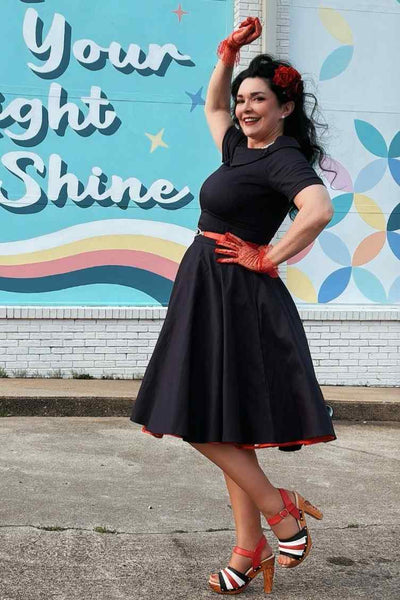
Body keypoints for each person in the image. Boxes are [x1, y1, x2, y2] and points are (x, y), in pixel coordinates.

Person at [131, 16, 337, 595]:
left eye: (259, 100)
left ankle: (280, 511)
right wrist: (227, 55)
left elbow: (318, 210)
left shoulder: (283, 159)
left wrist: (268, 257)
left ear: (285, 107)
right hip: (207, 288)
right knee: (227, 424)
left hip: (237, 296)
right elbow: (214, 108)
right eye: (244, 99)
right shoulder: (240, 147)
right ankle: (249, 550)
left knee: (193, 417)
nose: (245, 108)